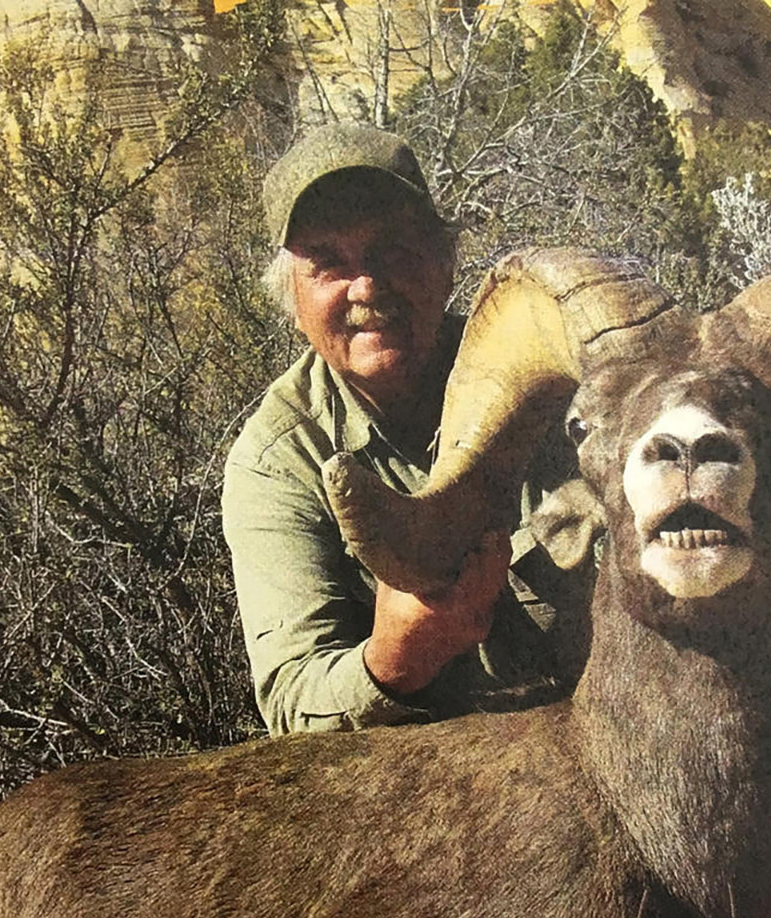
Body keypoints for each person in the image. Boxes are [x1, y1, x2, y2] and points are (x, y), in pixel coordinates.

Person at [223, 123, 585, 735]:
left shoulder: (551, 381)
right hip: (424, 784)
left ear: (444, 261)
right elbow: (292, 698)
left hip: (603, 732)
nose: (366, 286)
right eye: (328, 264)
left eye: (392, 250)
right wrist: (398, 654)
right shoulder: (278, 460)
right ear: (292, 298)